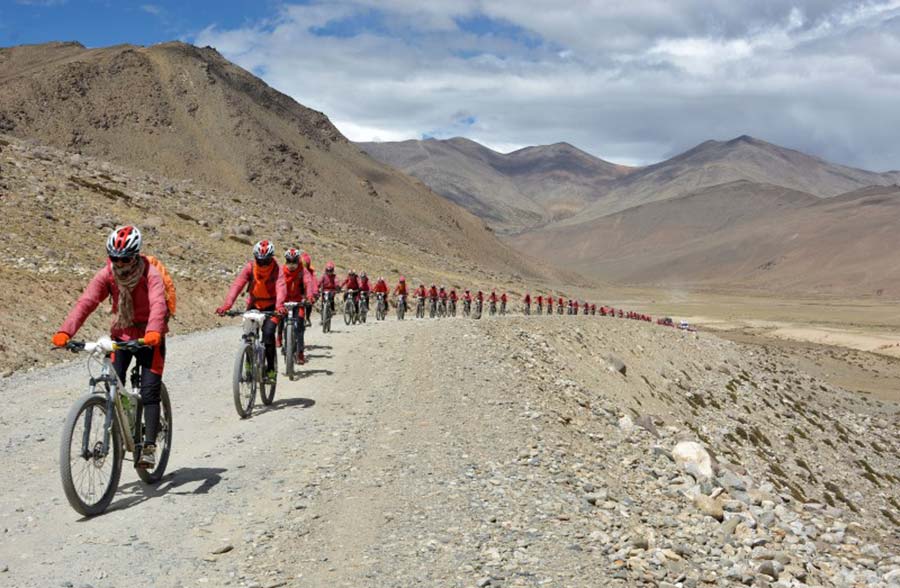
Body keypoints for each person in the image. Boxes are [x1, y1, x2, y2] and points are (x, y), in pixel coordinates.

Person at [53, 226, 168, 468]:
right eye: (114, 258)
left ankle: (148, 445)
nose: (119, 263)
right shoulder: (107, 274)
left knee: (149, 391)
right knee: (115, 381)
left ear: (135, 256)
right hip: (122, 333)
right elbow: (87, 301)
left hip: (150, 335)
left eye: (124, 259)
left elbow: (158, 303)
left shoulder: (151, 274)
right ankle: (123, 428)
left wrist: (154, 331)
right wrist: (66, 331)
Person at [217, 240, 286, 383]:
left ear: (271, 258)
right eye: (260, 260)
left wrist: (279, 306)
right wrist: (227, 305)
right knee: (248, 335)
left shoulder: (277, 269)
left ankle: (271, 370)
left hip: (272, 307)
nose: (263, 263)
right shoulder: (250, 267)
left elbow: (281, 287)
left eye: (266, 260)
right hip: (254, 304)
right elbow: (238, 285)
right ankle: (248, 365)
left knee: (268, 335)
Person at [279, 248, 315, 365]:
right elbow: (276, 284)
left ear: (298, 261)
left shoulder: (302, 270)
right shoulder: (281, 270)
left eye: (294, 262)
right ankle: (282, 340)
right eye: (289, 262)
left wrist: (309, 297)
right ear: (286, 261)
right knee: (281, 321)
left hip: (298, 302)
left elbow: (309, 282)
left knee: (299, 326)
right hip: (284, 301)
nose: (292, 265)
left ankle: (300, 353)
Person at [301, 252, 317, 326]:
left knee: (308, 304)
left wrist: (314, 292)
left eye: (306, 264)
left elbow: (314, 282)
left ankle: (307, 318)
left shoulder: (311, 272)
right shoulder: (297, 269)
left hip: (308, 290)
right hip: (299, 290)